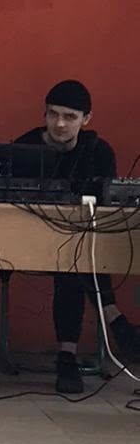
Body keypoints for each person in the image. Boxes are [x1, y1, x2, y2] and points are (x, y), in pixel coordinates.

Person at [12, 79, 140, 395]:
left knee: (73, 259)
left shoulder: (98, 151)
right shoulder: (24, 147)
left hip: (82, 245)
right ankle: (114, 318)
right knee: (73, 256)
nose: (60, 123)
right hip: (28, 242)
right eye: (53, 114)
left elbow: (107, 205)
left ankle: (67, 356)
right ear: (44, 114)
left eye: (70, 116)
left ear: (86, 119)